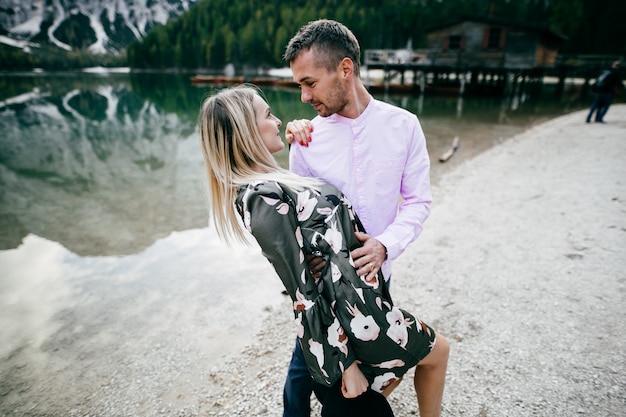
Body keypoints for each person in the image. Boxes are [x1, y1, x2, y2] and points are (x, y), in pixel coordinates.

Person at [198, 85, 449, 417]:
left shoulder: (273, 181)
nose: (279, 121)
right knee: (436, 353)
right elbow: (302, 292)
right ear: (245, 130)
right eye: (268, 115)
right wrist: (345, 365)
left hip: (361, 304)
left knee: (381, 382)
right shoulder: (258, 197)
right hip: (354, 312)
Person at [281, 19, 446, 417]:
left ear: (345, 69)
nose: (303, 97)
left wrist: (384, 244)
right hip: (326, 294)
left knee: (379, 371)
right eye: (299, 86)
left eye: (309, 83)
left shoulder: (404, 126)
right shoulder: (306, 141)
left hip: (379, 282)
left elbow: (419, 201)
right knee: (307, 380)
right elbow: (297, 224)